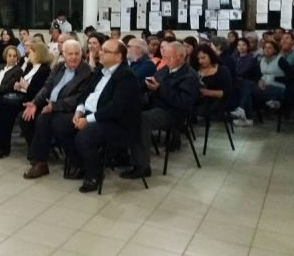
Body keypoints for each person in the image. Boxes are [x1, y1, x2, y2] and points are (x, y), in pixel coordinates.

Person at [74, 39, 142, 192]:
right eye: (101, 50)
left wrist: (88, 120)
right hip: (92, 114)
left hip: (116, 123)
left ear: (118, 57)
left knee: (85, 136)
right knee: (60, 124)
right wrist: (79, 110)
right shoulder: (101, 70)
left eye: (105, 51)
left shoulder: (126, 76)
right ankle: (81, 164)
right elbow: (87, 92)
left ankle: (94, 175)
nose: (100, 53)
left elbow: (115, 108)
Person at [126, 42, 200, 179]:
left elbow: (182, 102)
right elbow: (155, 81)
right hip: (156, 105)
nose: (165, 60)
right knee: (126, 110)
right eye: (164, 57)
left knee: (142, 119)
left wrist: (159, 89)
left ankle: (142, 166)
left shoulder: (189, 76)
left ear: (181, 57)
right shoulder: (166, 68)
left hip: (173, 113)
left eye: (169, 57)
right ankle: (123, 154)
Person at [21, 40, 92, 179]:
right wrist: (35, 103)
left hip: (73, 110)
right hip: (53, 106)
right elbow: (47, 87)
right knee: (28, 117)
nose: (74, 57)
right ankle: (40, 160)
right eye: (70, 54)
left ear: (81, 54)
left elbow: (80, 97)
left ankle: (75, 162)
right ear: (63, 55)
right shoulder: (59, 67)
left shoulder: (86, 71)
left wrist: (55, 106)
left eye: (77, 53)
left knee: (51, 122)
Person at [0, 42, 52, 159]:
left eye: (32, 52)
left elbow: (40, 91)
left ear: (38, 54)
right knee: (1, 105)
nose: (29, 53)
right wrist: (19, 86)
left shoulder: (44, 70)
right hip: (23, 96)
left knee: (6, 108)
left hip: (33, 101)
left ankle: (4, 147)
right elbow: (24, 83)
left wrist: (25, 87)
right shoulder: (30, 67)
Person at [194, 45, 232, 118]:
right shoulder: (195, 68)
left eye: (203, 58)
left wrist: (206, 92)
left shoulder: (222, 70)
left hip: (216, 101)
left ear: (210, 55)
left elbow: (226, 92)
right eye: (198, 59)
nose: (200, 61)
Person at [230, 37, 260, 126]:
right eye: (239, 45)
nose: (241, 47)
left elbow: (243, 71)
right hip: (238, 82)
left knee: (245, 85)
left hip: (251, 83)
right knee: (245, 91)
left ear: (248, 46)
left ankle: (243, 111)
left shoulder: (251, 58)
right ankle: (246, 117)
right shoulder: (233, 56)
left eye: (243, 45)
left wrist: (235, 73)